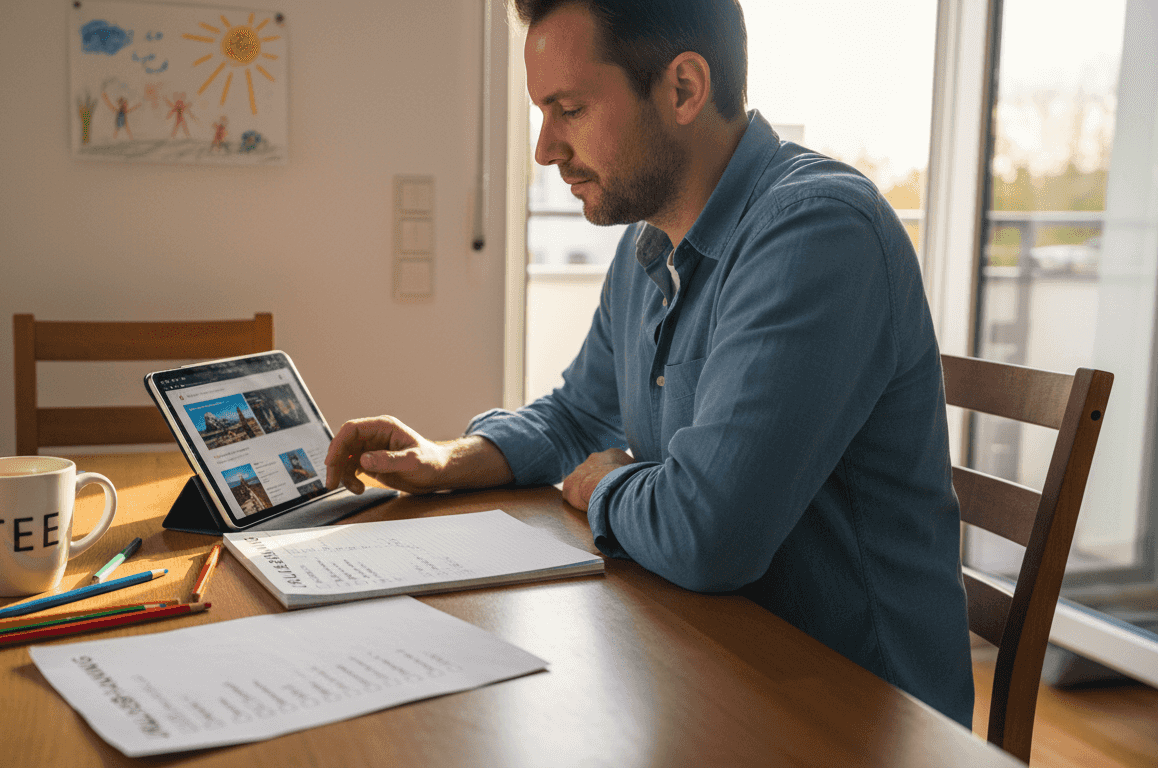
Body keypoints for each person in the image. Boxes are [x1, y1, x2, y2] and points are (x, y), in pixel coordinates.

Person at [324, 0, 973, 727]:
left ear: (684, 89)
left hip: (850, 715)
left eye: (568, 109)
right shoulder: (650, 248)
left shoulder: (817, 233)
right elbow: (578, 412)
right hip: (712, 669)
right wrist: (451, 458)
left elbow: (709, 536)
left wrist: (610, 482)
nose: (544, 149)